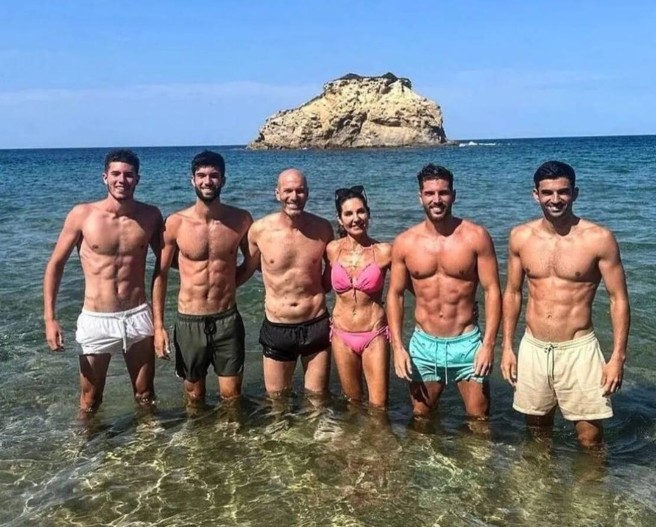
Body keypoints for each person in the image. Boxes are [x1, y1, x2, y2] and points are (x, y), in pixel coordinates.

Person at [500, 160, 630, 447]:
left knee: (590, 438)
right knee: (536, 432)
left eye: (563, 191)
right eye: (547, 192)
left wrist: (617, 358)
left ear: (575, 193)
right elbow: (513, 292)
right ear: (535, 194)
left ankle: (591, 479)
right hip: (533, 347)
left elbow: (618, 299)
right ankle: (540, 477)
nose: (555, 199)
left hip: (578, 349)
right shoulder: (520, 237)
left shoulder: (599, 239)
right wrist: (507, 347)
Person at [43, 149, 163, 414]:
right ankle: (87, 442)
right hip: (97, 318)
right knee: (90, 400)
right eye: (116, 174)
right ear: (105, 177)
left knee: (145, 394)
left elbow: (166, 265)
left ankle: (149, 439)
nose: (122, 180)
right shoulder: (82, 215)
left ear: (137, 179)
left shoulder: (150, 216)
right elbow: (55, 265)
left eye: (128, 175)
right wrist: (50, 318)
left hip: (137, 316)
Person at [387, 164, 502, 420]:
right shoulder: (405, 242)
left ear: (453, 195)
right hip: (424, 344)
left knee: (479, 419)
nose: (436, 200)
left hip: (467, 343)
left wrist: (489, 345)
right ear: (420, 197)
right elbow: (395, 295)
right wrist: (397, 347)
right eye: (429, 193)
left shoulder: (476, 237)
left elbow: (492, 291)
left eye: (443, 193)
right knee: (422, 418)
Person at [152, 151, 255, 407]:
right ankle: (197, 433)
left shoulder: (241, 220)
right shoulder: (175, 223)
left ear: (223, 180)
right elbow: (160, 275)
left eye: (213, 175)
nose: (207, 181)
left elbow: (250, 264)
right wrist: (158, 327)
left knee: (232, 396)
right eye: (201, 176)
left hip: (227, 319)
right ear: (192, 180)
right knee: (194, 396)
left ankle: (230, 431)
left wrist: (228, 286)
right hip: (190, 320)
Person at [246, 168, 334, 397]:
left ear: (307, 193)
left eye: (300, 191)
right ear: (277, 193)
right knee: (277, 402)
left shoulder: (323, 229)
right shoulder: (259, 231)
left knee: (317, 400)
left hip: (316, 322)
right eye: (288, 191)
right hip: (278, 326)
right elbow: (247, 269)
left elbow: (333, 274)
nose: (294, 196)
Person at [327, 185, 392, 409]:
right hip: (341, 335)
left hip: (374, 334)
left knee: (379, 406)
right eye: (348, 214)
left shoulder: (384, 251)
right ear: (340, 219)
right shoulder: (332, 250)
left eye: (360, 211)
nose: (356, 218)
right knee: (352, 403)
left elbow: (406, 289)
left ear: (368, 214)